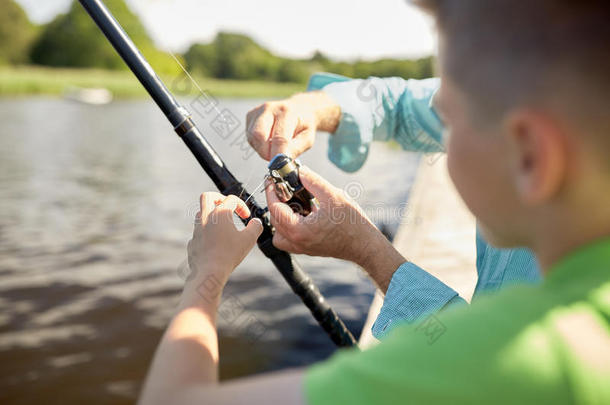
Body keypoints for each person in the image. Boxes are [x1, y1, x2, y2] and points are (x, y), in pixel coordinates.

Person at [138, 0, 610, 404]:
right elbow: (403, 103)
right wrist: (315, 109)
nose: (439, 137)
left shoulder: (520, 356)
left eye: (449, 121)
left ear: (530, 156)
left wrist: (207, 273)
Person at [245, 71, 542, 339]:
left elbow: (479, 357)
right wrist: (309, 107)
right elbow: (400, 104)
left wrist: (369, 252)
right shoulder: (514, 90)